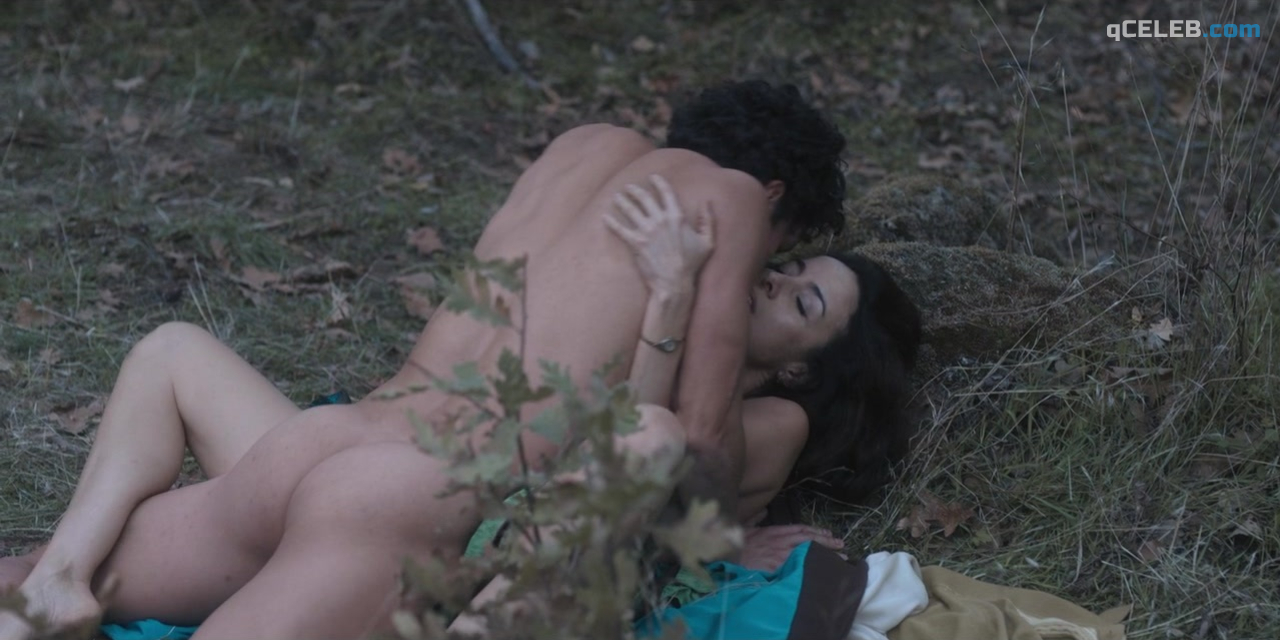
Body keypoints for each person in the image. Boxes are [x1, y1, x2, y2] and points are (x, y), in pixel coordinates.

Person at [0, 80, 849, 640]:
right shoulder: (732, 200)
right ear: (772, 197)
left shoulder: (583, 147)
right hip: (409, 500)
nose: (761, 277)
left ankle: (55, 578)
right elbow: (697, 440)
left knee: (22, 583)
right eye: (776, 257)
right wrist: (730, 539)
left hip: (326, 440)